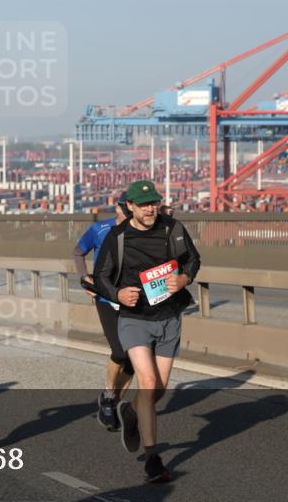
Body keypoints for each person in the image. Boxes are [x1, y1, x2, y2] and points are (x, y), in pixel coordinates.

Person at [93, 180, 200, 483]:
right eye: (143, 205)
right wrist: (117, 294)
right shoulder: (117, 237)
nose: (150, 209)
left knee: (158, 390)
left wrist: (183, 280)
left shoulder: (172, 228)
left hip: (169, 317)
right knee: (149, 382)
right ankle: (153, 460)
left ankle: (130, 411)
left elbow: (193, 260)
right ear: (130, 207)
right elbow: (101, 277)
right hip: (134, 319)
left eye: (154, 203)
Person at [73, 193, 133, 431]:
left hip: (133, 299)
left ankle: (113, 405)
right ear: (118, 207)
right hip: (105, 297)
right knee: (119, 351)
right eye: (126, 207)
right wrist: (84, 278)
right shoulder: (100, 229)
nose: (130, 211)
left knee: (134, 357)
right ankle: (108, 393)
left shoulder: (142, 231)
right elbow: (78, 252)